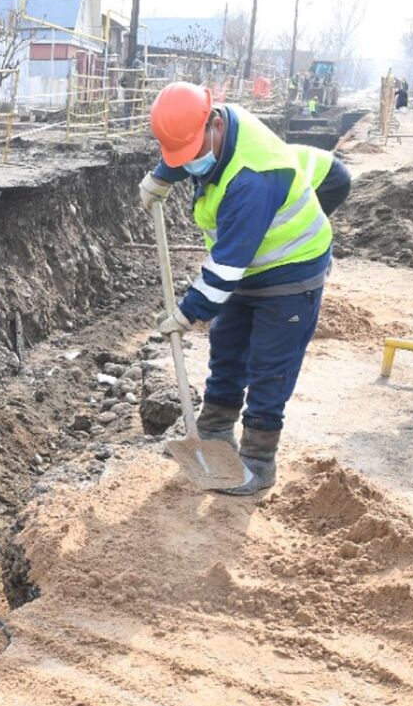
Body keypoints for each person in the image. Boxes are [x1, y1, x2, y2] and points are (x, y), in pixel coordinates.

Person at [138, 81, 333, 496]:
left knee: (270, 366)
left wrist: (187, 312)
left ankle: (259, 461)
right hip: (247, 266)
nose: (189, 162)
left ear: (214, 124)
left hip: (290, 272)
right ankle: (212, 431)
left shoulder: (252, 179)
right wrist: (162, 175)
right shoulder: (209, 123)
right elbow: (187, 146)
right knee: (227, 345)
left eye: (190, 156)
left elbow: (226, 265)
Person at [291, 143, 353, 217]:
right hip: (331, 171)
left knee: (307, 220)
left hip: (333, 180)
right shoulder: (278, 155)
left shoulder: (278, 164)